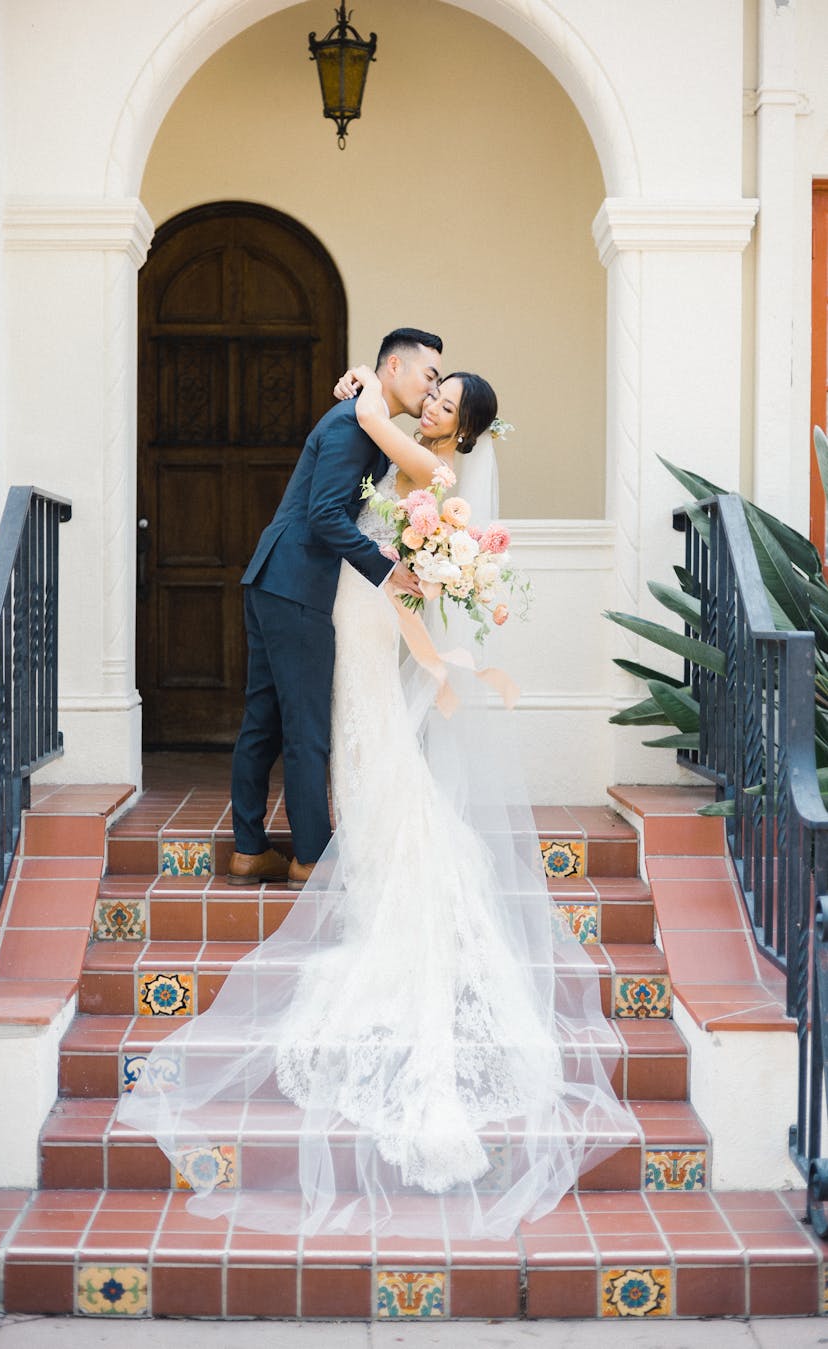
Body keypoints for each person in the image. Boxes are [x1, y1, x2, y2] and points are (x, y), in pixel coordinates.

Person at [118, 360, 636, 1239]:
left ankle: (377, 856)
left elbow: (377, 427)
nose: (432, 403)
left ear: (463, 431)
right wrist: (368, 394)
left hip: (366, 602)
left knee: (363, 735)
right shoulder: (416, 455)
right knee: (355, 734)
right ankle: (359, 842)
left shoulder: (432, 467)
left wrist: (364, 388)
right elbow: (376, 446)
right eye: (432, 391)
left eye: (448, 401)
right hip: (356, 602)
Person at [226, 327, 442, 891]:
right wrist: (386, 567)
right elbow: (325, 515)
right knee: (303, 728)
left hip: (274, 578)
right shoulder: (354, 425)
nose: (432, 386)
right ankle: (310, 859)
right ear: (393, 367)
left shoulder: (364, 419)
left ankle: (250, 851)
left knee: (265, 719)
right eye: (429, 374)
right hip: (297, 584)